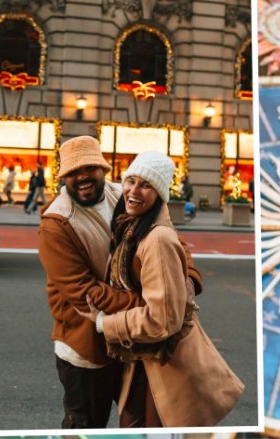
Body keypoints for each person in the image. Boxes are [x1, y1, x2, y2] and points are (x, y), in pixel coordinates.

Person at [38, 136, 204, 428]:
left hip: (134, 341)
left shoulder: (124, 192)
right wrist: (154, 306)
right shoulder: (56, 223)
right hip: (88, 348)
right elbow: (84, 293)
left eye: (89, 167)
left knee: (140, 425)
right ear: (63, 177)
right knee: (87, 428)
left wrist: (189, 278)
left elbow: (172, 239)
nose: (82, 177)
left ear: (103, 168)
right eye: (73, 172)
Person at [75, 151, 244, 427]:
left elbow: (162, 320)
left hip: (164, 362)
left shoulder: (155, 239)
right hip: (144, 358)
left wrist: (105, 323)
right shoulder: (132, 226)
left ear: (160, 194)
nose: (134, 190)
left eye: (146, 185)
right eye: (131, 181)